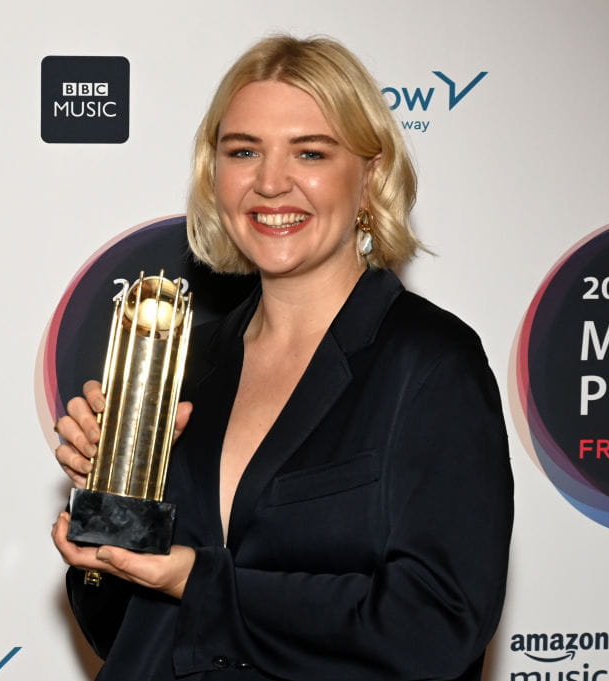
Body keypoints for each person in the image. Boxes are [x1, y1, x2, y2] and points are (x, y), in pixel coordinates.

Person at [52, 34, 513, 681]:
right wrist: (108, 523)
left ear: (370, 174)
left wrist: (201, 581)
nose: (270, 182)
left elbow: (436, 624)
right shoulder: (187, 365)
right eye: (243, 151)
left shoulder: (429, 362)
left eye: (310, 152)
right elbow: (125, 631)